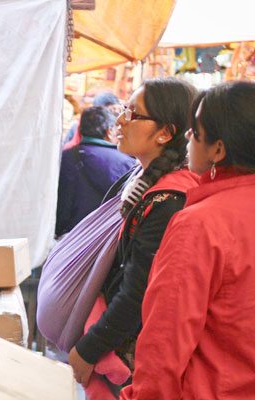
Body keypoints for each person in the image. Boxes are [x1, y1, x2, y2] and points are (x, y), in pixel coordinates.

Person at [120, 81, 255, 399]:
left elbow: (164, 342)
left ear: (218, 150)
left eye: (195, 132)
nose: (188, 138)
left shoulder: (200, 224)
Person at [66, 78, 200, 392]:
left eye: (132, 114)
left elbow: (137, 291)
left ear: (165, 133)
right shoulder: (141, 180)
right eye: (123, 110)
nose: (119, 121)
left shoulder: (170, 201)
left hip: (132, 363)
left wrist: (88, 349)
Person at [56, 106, 135, 237]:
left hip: (67, 236)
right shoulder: (127, 162)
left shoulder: (64, 156)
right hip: (103, 238)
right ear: (109, 131)